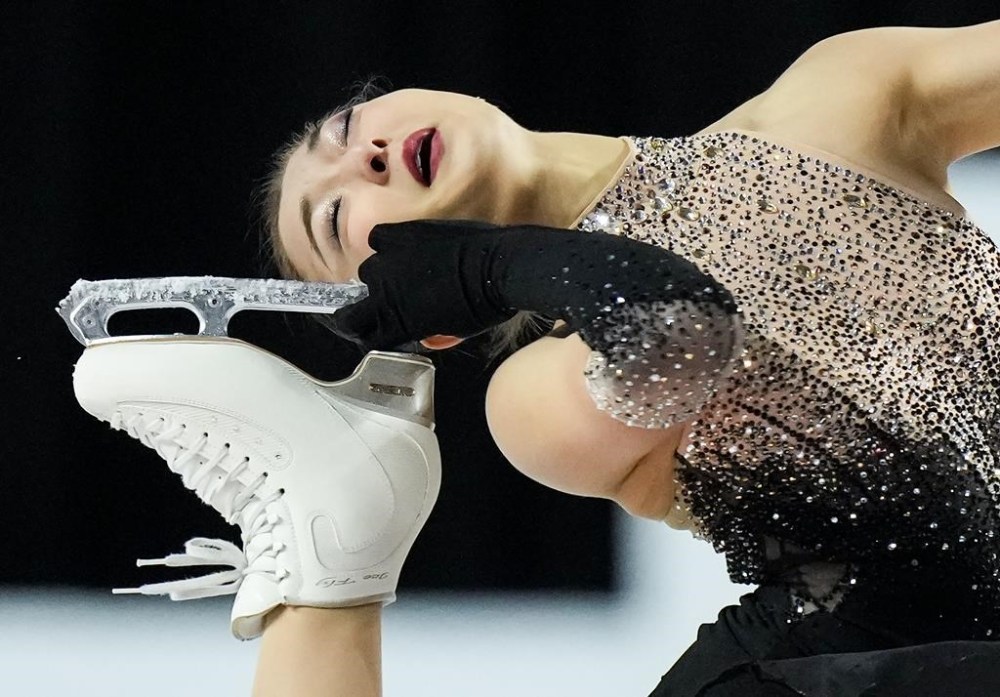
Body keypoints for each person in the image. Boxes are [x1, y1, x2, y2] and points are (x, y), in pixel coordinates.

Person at [73, 20, 1000, 696]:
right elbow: (683, 331)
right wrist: (492, 263)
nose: (366, 157)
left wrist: (489, 259)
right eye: (337, 213)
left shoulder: (840, 101)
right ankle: (326, 547)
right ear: (422, 310)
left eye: (350, 130)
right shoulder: (542, 397)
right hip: (850, 660)